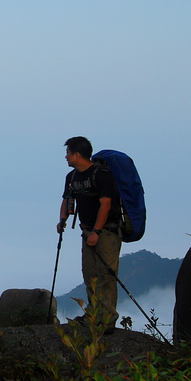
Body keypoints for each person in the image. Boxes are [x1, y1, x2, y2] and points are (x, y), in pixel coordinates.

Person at [56, 137, 121, 334]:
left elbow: (106, 205)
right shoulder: (72, 177)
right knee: (90, 274)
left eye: (68, 153)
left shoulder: (101, 175)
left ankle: (107, 319)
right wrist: (63, 219)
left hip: (107, 232)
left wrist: (97, 232)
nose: (66, 157)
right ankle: (94, 315)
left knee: (106, 275)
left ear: (77, 154)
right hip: (87, 231)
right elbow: (68, 199)